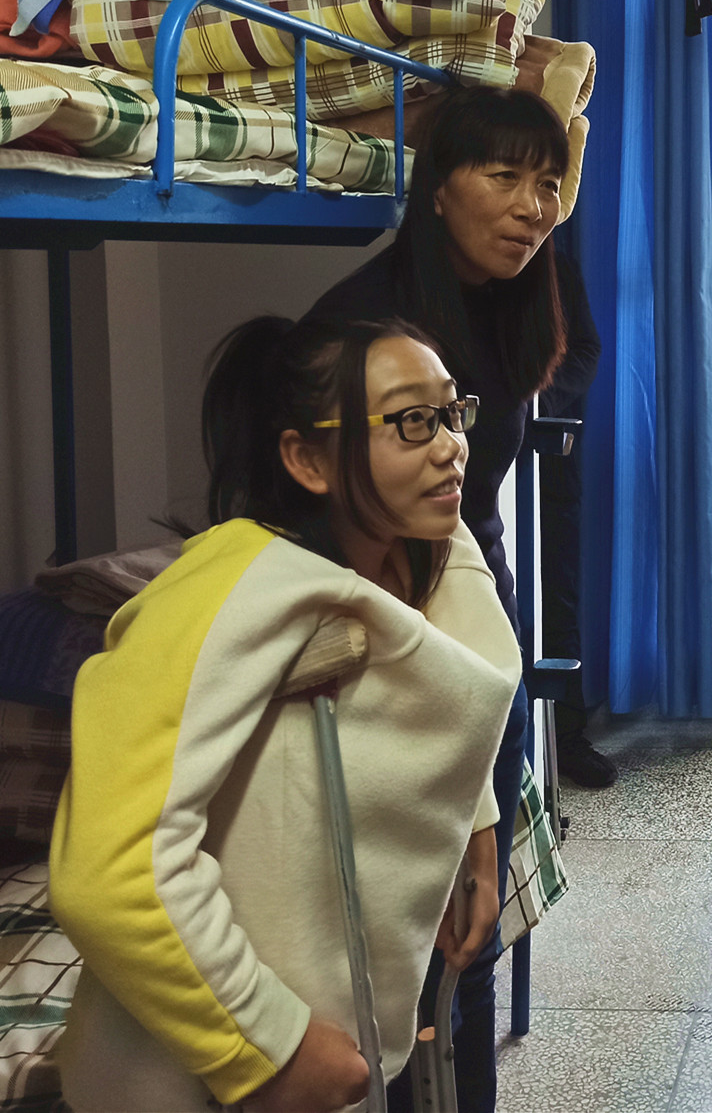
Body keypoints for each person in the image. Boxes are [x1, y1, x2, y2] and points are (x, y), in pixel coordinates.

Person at [50, 316, 517, 1112]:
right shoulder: (224, 591)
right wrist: (271, 1046)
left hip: (342, 1038)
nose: (450, 446)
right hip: (194, 1074)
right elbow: (110, 870)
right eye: (412, 421)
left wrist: (472, 826)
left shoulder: (416, 551)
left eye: (451, 412)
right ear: (305, 459)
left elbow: (445, 692)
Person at [306, 85, 605, 1112]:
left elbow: (474, 515)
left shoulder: (519, 293)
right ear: (438, 188)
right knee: (407, 930)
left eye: (547, 183)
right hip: (384, 622)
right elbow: (322, 533)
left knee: (470, 932)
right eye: (503, 175)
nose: (532, 207)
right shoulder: (362, 331)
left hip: (474, 600)